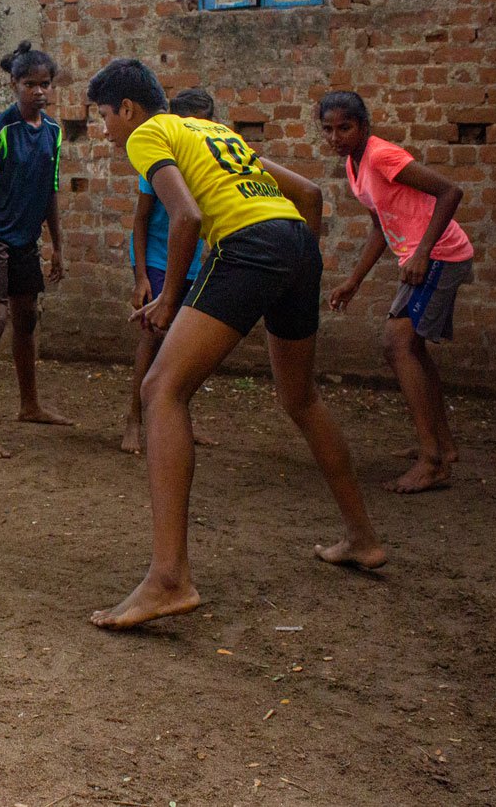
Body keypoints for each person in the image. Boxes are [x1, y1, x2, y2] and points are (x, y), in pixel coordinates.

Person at [85, 58, 386, 630]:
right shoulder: (214, 132)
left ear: (126, 108)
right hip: (293, 240)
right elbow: (310, 193)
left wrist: (170, 299)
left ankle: (170, 579)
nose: (104, 130)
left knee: (162, 389)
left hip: (248, 244)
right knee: (301, 398)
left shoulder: (149, 134)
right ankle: (363, 538)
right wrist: (300, 263)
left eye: (103, 117)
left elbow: (187, 217)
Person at [319, 91, 474, 493]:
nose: (336, 137)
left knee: (396, 344)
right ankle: (442, 445)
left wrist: (421, 253)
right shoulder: (354, 167)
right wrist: (354, 281)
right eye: (328, 130)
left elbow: (449, 192)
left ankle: (432, 462)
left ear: (363, 127)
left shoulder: (381, 155)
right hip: (423, 259)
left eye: (345, 128)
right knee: (411, 348)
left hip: (441, 255)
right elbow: (380, 227)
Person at [0, 41, 71, 460]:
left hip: (26, 239)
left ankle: (30, 405)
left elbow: (51, 192)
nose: (39, 92)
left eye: (45, 84)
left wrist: (58, 246)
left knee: (27, 319)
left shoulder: (55, 133)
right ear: (14, 84)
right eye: (30, 84)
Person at [122, 87, 215, 454]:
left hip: (193, 262)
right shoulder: (159, 162)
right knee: (153, 335)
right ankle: (134, 419)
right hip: (161, 260)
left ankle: (178, 416)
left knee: (188, 345)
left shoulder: (208, 160)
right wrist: (141, 276)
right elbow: (141, 220)